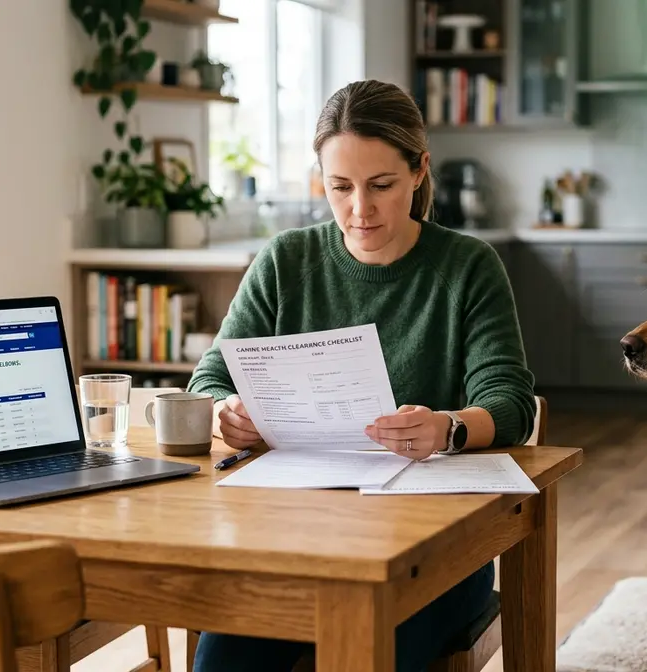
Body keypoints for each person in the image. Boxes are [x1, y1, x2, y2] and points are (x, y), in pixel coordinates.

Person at [184, 79, 537, 672]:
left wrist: (448, 428)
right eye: (340, 187)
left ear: (419, 171)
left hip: (433, 544)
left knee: (369, 652)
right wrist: (226, 412)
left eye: (381, 185)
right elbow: (210, 377)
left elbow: (510, 404)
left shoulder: (468, 267)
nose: (359, 210)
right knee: (220, 663)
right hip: (294, 535)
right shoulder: (285, 261)